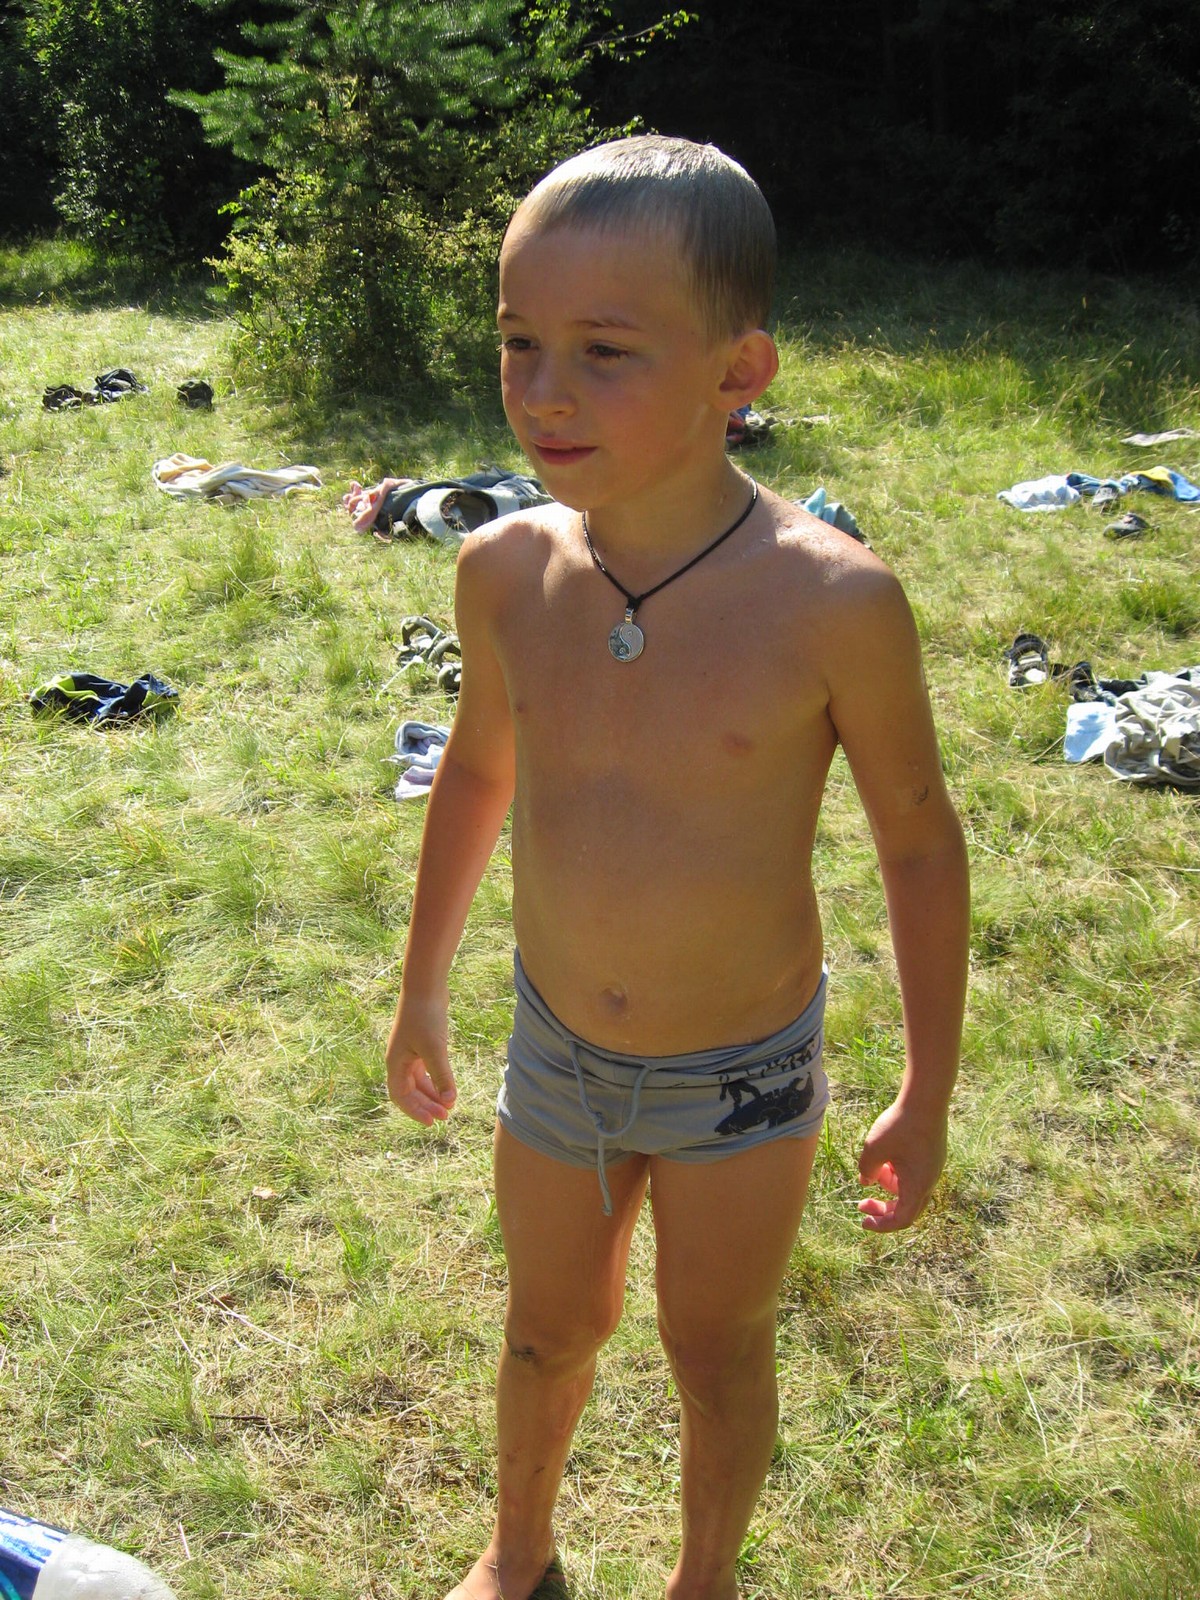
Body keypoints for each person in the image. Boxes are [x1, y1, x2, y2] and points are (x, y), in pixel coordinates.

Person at [386, 135, 970, 1600]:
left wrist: (927, 1085)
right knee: (546, 1330)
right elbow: (477, 772)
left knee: (714, 1348)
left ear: (738, 371)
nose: (544, 390)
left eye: (605, 351)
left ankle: (704, 1578)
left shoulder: (834, 602)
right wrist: (422, 990)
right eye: (519, 341)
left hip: (744, 1077)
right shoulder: (503, 571)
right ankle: (518, 1554)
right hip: (559, 1052)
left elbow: (917, 840)